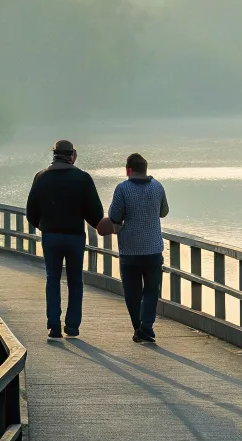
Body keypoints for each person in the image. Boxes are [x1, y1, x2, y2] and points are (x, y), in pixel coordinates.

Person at [24, 139, 104, 339]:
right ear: (72, 155)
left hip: (51, 236)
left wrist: (42, 225)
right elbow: (95, 213)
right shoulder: (83, 178)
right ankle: (73, 326)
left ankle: (54, 326)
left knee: (53, 279)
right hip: (75, 237)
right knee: (75, 281)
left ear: (53, 154)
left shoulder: (41, 178)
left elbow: (31, 211)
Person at [102, 153, 170, 344]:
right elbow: (164, 212)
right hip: (153, 249)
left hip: (130, 250)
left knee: (132, 292)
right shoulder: (158, 187)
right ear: (145, 169)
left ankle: (138, 327)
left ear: (128, 170)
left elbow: (114, 216)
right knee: (151, 290)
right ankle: (146, 326)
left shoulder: (122, 188)